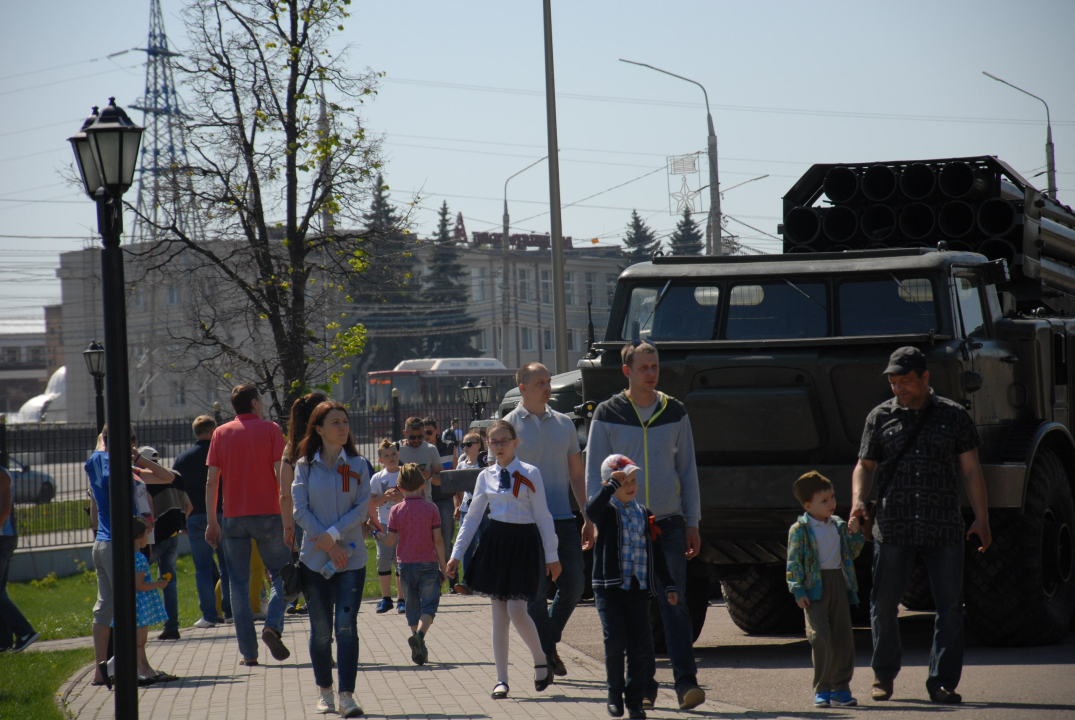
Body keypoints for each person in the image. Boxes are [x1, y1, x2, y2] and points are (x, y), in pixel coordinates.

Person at [851, 346, 991, 705]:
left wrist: (982, 518)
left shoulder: (953, 415)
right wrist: (857, 502)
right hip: (893, 525)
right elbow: (865, 466)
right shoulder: (880, 417)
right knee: (883, 605)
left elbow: (971, 469)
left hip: (942, 526)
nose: (899, 388)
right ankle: (883, 675)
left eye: (906, 381)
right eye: (894, 383)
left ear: (925, 378)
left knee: (950, 608)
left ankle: (942, 682)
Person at [585, 342, 705, 711]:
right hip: (624, 524)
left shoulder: (675, 411)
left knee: (674, 600)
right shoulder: (607, 412)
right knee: (636, 607)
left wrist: (692, 521)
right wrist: (593, 521)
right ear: (627, 371)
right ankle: (644, 686)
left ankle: (686, 684)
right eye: (643, 367)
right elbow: (593, 474)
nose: (651, 373)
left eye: (655, 366)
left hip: (667, 521)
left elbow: (687, 469)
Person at [446, 419, 561, 700]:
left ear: (515, 443)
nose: (498, 446)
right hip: (496, 544)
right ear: (487, 445)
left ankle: (540, 659)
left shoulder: (530, 473)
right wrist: (456, 554)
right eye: (493, 442)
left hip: (524, 544)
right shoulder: (485, 476)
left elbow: (543, 516)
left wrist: (552, 556)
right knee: (499, 615)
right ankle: (501, 680)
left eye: (504, 441)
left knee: (517, 610)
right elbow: (472, 518)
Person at [505, 362, 593, 678]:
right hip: (525, 524)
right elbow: (499, 478)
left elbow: (577, 474)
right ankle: (547, 655)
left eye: (548, 381)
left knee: (575, 584)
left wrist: (587, 516)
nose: (547, 387)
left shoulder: (564, 423)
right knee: (536, 593)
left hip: (562, 518)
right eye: (540, 382)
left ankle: (547, 644)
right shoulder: (508, 426)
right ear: (523, 388)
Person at [292, 401, 371, 718]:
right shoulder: (305, 466)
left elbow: (361, 508)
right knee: (322, 630)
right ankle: (324, 692)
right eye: (335, 422)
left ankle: (346, 697)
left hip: (351, 558)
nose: (343, 427)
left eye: (345, 421)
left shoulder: (358, 464)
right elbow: (299, 510)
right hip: (314, 560)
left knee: (346, 627)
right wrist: (325, 540)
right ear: (319, 429)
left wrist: (334, 535)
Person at [205, 383, 292, 666]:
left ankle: (249, 653)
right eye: (261, 400)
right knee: (282, 575)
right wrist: (288, 511)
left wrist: (212, 521)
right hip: (269, 513)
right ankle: (272, 626)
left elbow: (212, 481)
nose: (263, 404)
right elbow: (280, 473)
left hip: (233, 517)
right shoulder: (271, 430)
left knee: (238, 585)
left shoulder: (220, 433)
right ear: (254, 403)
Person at [587, 455, 679, 720]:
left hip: (637, 589)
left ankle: (635, 701)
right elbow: (591, 511)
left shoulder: (644, 513)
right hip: (609, 589)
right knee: (615, 640)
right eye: (622, 482)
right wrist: (610, 488)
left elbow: (656, 553)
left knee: (640, 646)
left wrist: (668, 584)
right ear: (608, 484)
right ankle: (614, 694)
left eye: (633, 480)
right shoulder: (606, 511)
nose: (629, 486)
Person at [86, 424, 175, 687]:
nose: (134, 444)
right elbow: (110, 480)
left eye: (135, 440)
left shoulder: (115, 464)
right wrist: (115, 453)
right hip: (116, 544)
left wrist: (138, 459)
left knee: (107, 609)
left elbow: (167, 477)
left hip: (108, 543)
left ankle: (108, 670)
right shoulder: (104, 461)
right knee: (126, 607)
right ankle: (125, 669)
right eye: (131, 439)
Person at [787, 471, 865, 708]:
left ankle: (841, 688)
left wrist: (856, 534)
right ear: (807, 505)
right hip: (814, 588)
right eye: (824, 500)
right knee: (820, 637)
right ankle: (823, 689)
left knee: (843, 637)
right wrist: (798, 590)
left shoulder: (838, 525)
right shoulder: (800, 530)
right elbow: (794, 562)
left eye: (832, 497)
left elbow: (850, 553)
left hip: (838, 584)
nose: (831, 503)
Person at [98, 516, 179, 688]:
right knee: (139, 640)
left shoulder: (124, 557)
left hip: (132, 604)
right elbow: (139, 585)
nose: (148, 538)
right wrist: (159, 584)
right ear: (138, 538)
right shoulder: (140, 558)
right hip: (141, 606)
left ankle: (127, 669)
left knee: (135, 640)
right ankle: (110, 666)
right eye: (145, 534)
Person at [382, 463, 447, 665]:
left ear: (400, 488)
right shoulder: (431, 508)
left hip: (405, 565)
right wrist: (443, 567)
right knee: (429, 605)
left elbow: (389, 541)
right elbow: (438, 540)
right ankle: (419, 636)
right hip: (428, 563)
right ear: (422, 485)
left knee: (412, 608)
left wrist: (375, 532)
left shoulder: (396, 510)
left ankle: (419, 644)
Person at [175, 416, 232, 628]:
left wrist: (183, 522)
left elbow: (177, 491)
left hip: (195, 516)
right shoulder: (222, 453)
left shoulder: (182, 459)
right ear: (212, 431)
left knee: (202, 568)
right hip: (222, 514)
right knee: (227, 565)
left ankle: (208, 615)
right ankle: (229, 611)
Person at [280, 392, 328, 616]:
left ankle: (305, 601)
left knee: (306, 560)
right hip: (328, 510)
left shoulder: (291, 447)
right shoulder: (326, 442)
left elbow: (285, 493)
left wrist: (287, 526)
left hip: (302, 515)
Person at [140, 445, 193, 640]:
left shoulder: (146, 480)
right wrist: (179, 523)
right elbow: (189, 505)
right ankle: (172, 627)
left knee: (138, 579)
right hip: (173, 535)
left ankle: (138, 626)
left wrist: (147, 540)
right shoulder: (174, 476)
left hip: (153, 539)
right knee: (169, 582)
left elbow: (150, 509)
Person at [397, 417, 443, 615]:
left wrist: (428, 476)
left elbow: (441, 478)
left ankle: (430, 586)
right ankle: (403, 597)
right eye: (412, 437)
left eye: (420, 437)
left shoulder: (431, 450)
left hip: (426, 504)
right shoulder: (398, 449)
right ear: (405, 434)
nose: (416, 440)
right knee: (403, 549)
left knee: (429, 546)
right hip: (403, 506)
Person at [0, 463, 38, 653]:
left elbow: (5, 509)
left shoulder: (1, 475)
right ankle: (4, 641)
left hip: (2, 539)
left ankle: (25, 632)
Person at [369, 438, 404, 613]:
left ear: (398, 454)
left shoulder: (405, 473)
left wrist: (401, 497)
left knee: (400, 562)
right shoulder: (377, 478)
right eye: (387, 456)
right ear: (380, 460)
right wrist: (385, 497)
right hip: (384, 522)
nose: (391, 458)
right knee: (383, 560)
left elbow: (416, 494)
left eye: (393, 454)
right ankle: (386, 598)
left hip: (403, 523)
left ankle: (402, 599)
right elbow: (371, 503)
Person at [423, 417, 457, 592]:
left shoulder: (449, 447)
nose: (425, 436)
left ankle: (452, 581)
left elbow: (454, 477)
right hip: (424, 500)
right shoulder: (419, 449)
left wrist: (457, 502)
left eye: (429, 432)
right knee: (427, 542)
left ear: (437, 431)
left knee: (446, 541)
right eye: (422, 433)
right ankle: (432, 583)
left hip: (445, 500)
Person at [453, 430, 488, 594]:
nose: (465, 448)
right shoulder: (461, 465)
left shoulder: (485, 463)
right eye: (463, 445)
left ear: (479, 445)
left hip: (486, 510)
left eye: (469, 444)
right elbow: (457, 488)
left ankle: (486, 581)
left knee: (486, 545)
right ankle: (467, 582)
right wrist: (457, 505)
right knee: (466, 544)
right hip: (467, 510)